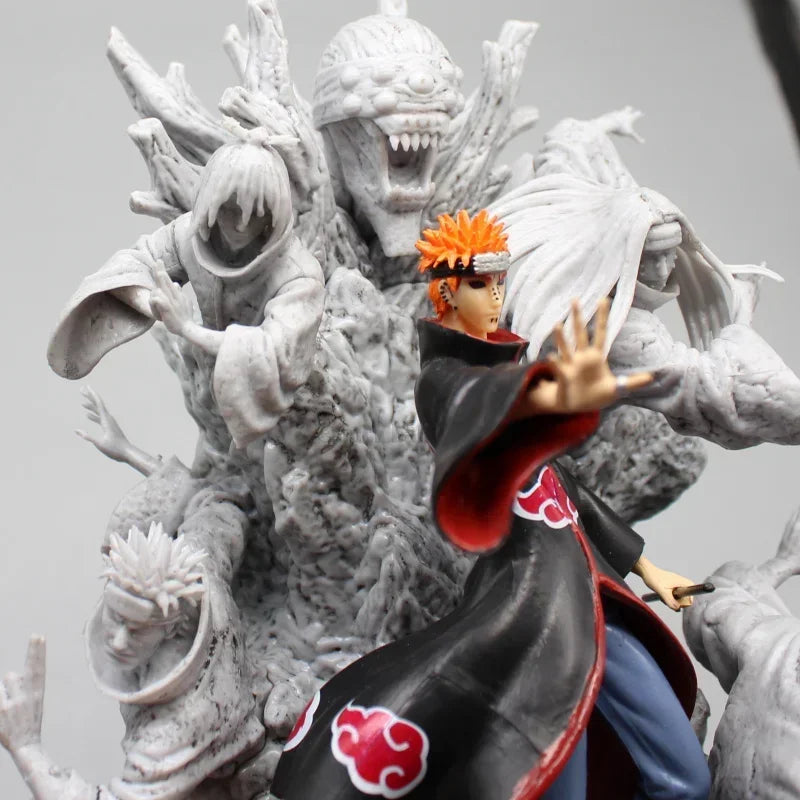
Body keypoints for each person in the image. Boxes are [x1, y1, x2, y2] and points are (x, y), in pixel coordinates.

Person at [267, 211, 709, 800]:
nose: (496, 296)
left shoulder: (511, 385)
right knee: (547, 774)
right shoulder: (443, 380)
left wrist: (649, 569)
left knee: (685, 777)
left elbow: (571, 497)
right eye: (481, 284)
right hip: (532, 616)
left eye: (499, 282)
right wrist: (540, 394)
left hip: (595, 605)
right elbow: (478, 405)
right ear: (447, 292)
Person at [47, 127, 325, 449]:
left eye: (257, 214)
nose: (240, 225)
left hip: (295, 422)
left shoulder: (298, 275)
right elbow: (135, 262)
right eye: (230, 208)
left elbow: (276, 352)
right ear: (211, 202)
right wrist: (155, 303)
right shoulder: (189, 237)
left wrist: (187, 328)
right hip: (212, 401)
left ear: (276, 213)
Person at [0, 523, 264, 800]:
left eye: (138, 630)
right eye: (116, 617)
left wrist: (26, 745)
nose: (118, 642)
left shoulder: (176, 727)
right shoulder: (198, 561)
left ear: (172, 627)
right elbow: (222, 523)